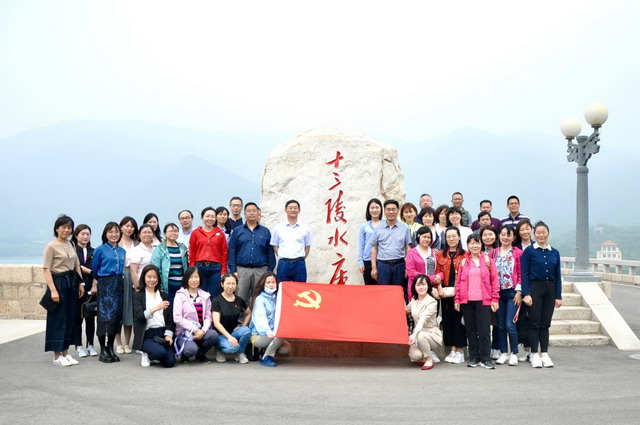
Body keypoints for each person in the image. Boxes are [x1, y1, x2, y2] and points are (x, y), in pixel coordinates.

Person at [43, 215, 84, 366]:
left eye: (69, 227)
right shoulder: (51, 246)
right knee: (58, 319)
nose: (66, 230)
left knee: (70, 318)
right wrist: (53, 290)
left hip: (71, 283)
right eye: (63, 227)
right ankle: (57, 356)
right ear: (57, 229)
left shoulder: (71, 244)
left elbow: (77, 265)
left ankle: (66, 353)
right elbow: (46, 269)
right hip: (58, 282)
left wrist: (81, 283)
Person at [454, 234, 500, 369]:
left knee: (484, 331)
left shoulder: (487, 261)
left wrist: (495, 298)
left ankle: (486, 358)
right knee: (471, 331)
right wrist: (457, 299)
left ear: (481, 245)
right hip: (467, 301)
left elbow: (494, 281)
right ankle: (474, 357)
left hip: (484, 301)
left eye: (477, 243)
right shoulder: (463, 262)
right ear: (467, 245)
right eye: (472, 243)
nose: (475, 246)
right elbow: (458, 282)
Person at [521, 221, 562, 368]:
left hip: (550, 289)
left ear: (548, 233)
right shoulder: (529, 251)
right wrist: (526, 293)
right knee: (534, 323)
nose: (541, 235)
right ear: (534, 234)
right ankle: (534, 354)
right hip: (535, 289)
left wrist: (558, 296)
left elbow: (557, 276)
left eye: (543, 232)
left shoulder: (555, 252)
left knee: (545, 323)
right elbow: (524, 274)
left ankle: (544, 353)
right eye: (538, 232)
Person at [91, 222, 127, 363]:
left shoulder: (122, 251)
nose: (114, 234)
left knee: (116, 317)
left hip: (118, 283)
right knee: (104, 317)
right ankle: (103, 350)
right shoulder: (100, 250)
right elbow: (95, 269)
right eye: (111, 232)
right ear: (105, 234)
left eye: (116, 232)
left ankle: (110, 347)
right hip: (105, 284)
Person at [228, 202, 276, 303]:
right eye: (248, 211)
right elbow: (232, 251)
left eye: (254, 211)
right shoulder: (237, 231)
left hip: (261, 270)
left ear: (258, 213)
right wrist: (233, 270)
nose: (251, 213)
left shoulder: (265, 231)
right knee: (240, 298)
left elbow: (270, 252)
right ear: (244, 214)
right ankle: (241, 314)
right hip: (242, 270)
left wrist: (269, 271)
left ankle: (256, 314)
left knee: (259, 298)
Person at [489, 225, 523, 366]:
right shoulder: (493, 253)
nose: (505, 237)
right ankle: (503, 352)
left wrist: (519, 291)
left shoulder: (518, 253)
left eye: (509, 235)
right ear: (499, 236)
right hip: (497, 293)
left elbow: (521, 273)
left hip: (512, 293)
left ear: (514, 237)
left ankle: (514, 353)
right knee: (501, 325)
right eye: (503, 234)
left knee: (510, 324)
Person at [132, 265, 176, 368]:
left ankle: (158, 353)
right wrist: (156, 308)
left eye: (155, 277)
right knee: (160, 353)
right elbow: (139, 315)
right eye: (149, 277)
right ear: (144, 277)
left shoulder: (164, 295)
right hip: (147, 335)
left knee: (170, 362)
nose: (152, 280)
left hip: (162, 334)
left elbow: (170, 317)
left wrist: (168, 335)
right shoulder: (139, 296)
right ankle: (146, 353)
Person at [172, 267, 218, 363]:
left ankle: (201, 354)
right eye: (191, 277)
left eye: (196, 277)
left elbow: (208, 317)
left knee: (213, 335)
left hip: (200, 331)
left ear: (200, 279)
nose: (194, 280)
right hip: (184, 333)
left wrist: (203, 331)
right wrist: (195, 329)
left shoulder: (205, 295)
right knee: (190, 350)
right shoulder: (180, 295)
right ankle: (185, 353)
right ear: (186, 279)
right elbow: (177, 318)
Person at [435, 227, 466, 364]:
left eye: (454, 236)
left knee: (460, 320)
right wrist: (439, 288)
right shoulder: (441, 255)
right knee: (448, 320)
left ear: (459, 237)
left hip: (461, 292)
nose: (451, 239)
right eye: (448, 237)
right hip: (446, 293)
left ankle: (460, 350)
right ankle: (452, 349)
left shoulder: (465, 255)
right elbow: (438, 272)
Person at [249, 272, 290, 367]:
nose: (271, 285)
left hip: (272, 333)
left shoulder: (276, 297)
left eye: (273, 282)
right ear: (263, 284)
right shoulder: (260, 299)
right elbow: (260, 317)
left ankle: (264, 351)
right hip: (259, 335)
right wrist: (267, 331)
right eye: (268, 282)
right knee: (281, 335)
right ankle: (266, 357)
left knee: (286, 349)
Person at [370, 200, 412, 287]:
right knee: (383, 291)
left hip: (399, 265)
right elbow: (374, 248)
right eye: (388, 209)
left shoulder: (404, 228)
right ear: (384, 211)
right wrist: (374, 268)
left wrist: (408, 267)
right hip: (383, 265)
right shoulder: (378, 228)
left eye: (393, 209)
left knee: (398, 291)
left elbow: (408, 248)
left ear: (398, 210)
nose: (391, 212)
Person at [211, 273, 251, 364]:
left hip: (233, 332)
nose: (230, 286)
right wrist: (229, 337)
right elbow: (216, 323)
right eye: (228, 283)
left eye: (233, 284)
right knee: (232, 348)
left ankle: (240, 353)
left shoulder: (239, 300)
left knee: (246, 330)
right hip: (221, 334)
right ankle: (220, 349)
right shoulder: (217, 301)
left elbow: (248, 313)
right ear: (222, 284)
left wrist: (242, 326)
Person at [189, 206, 228, 298]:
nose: (210, 218)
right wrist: (192, 269)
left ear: (215, 218)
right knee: (200, 294)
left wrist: (223, 271)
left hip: (215, 268)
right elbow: (192, 252)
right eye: (207, 216)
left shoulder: (220, 233)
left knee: (214, 295)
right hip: (200, 267)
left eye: (212, 216)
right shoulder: (195, 233)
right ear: (202, 218)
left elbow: (224, 253)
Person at [406, 275, 443, 370]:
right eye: (418, 285)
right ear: (414, 286)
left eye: (423, 284)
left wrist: (414, 334)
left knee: (421, 335)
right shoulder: (414, 300)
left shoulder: (432, 302)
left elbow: (422, 319)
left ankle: (429, 359)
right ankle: (423, 355)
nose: (421, 287)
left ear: (428, 286)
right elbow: (405, 310)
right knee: (415, 356)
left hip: (431, 335)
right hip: (417, 335)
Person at [271, 200, 313, 282]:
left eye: (295, 208)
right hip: (283, 264)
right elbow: (275, 245)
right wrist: (281, 256)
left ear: (299, 210)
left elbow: (307, 247)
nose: (293, 210)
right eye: (290, 208)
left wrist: (300, 258)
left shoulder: (305, 228)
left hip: (299, 264)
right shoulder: (278, 228)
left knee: (300, 288)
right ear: (285, 210)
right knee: (282, 287)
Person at [71, 224, 97, 358]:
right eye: (82, 234)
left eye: (87, 234)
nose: (85, 237)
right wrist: (90, 271)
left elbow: (98, 270)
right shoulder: (72, 250)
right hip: (76, 287)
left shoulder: (94, 251)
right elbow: (74, 266)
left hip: (91, 288)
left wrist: (94, 284)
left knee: (90, 317)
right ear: (76, 235)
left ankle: (90, 345)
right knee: (78, 318)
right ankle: (78, 345)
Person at [116, 216, 138, 356]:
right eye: (126, 226)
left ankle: (127, 343)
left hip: (133, 276)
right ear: (121, 227)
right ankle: (118, 343)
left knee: (130, 310)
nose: (129, 228)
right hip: (119, 276)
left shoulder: (137, 243)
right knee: (119, 310)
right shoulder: (116, 243)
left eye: (132, 226)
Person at [151, 222, 189, 303]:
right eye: (171, 231)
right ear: (165, 233)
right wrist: (160, 285)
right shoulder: (159, 249)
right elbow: (156, 269)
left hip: (182, 285)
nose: (174, 233)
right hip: (167, 285)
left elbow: (186, 266)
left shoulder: (183, 248)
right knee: (169, 307)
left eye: (176, 231)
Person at [513, 219, 533, 361]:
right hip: (519, 287)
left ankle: (534, 350)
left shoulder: (536, 246)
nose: (525, 232)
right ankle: (526, 350)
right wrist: (520, 291)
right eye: (522, 230)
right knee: (522, 320)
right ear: (518, 232)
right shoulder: (515, 248)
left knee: (533, 319)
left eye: (527, 229)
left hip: (534, 287)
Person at [405, 226, 441, 300]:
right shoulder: (411, 253)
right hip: (417, 288)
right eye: (424, 237)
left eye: (429, 237)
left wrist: (440, 276)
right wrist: (431, 279)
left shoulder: (434, 252)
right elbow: (411, 272)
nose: (426, 239)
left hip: (432, 289)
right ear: (419, 237)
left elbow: (439, 268)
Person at [358, 199, 384, 285]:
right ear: (368, 210)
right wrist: (360, 262)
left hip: (382, 261)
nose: (374, 210)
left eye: (377, 207)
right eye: (372, 208)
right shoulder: (364, 226)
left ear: (381, 209)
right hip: (367, 261)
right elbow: (361, 244)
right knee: (370, 289)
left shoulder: (385, 224)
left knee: (382, 288)